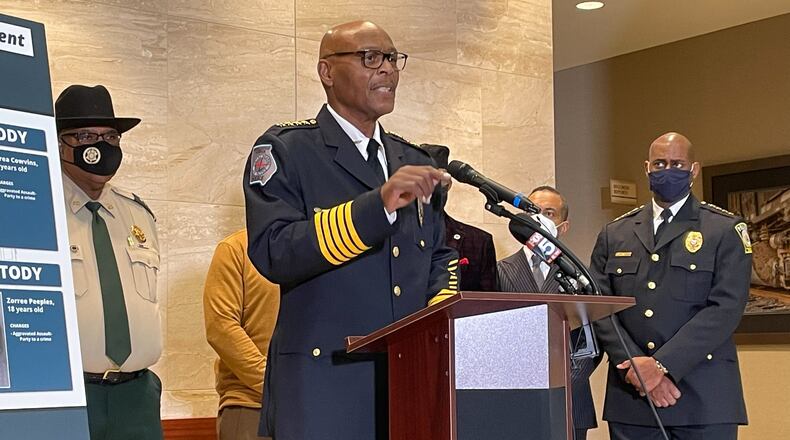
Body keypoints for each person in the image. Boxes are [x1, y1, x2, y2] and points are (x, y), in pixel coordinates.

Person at [243, 21, 458, 439]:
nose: (388, 71)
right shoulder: (287, 150)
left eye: (393, 59)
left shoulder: (410, 158)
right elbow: (274, 251)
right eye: (370, 58)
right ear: (327, 72)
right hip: (324, 387)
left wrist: (440, 320)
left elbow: (439, 256)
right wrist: (375, 207)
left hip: (408, 385)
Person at [591, 132, 751, 439]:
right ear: (647, 167)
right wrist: (640, 372)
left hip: (703, 397)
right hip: (633, 399)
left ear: (694, 170)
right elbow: (600, 307)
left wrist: (661, 366)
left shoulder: (724, 229)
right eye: (660, 163)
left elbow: (725, 309)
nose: (668, 170)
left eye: (677, 163)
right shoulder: (616, 233)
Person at [56, 84, 163, 439]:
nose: (101, 146)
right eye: (86, 135)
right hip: (65, 397)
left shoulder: (138, 215)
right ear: (60, 144)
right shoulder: (36, 212)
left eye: (111, 137)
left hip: (136, 397)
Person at [497, 186, 598, 440]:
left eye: (548, 213)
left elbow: (591, 339)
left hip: (569, 401)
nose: (538, 218)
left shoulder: (581, 276)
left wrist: (561, 383)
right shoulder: (499, 270)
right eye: (532, 210)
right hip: (513, 400)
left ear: (563, 227)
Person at [203, 229, 279, 440]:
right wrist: (274, 382)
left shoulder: (318, 250)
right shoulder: (236, 248)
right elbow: (221, 327)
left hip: (313, 405)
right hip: (251, 406)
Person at [422, 144, 497, 291]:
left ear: (449, 185)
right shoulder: (393, 237)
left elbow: (489, 305)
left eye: (439, 181)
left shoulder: (478, 241)